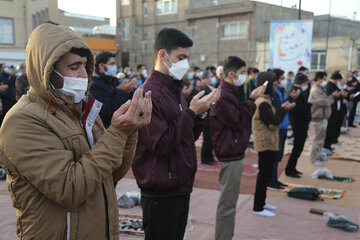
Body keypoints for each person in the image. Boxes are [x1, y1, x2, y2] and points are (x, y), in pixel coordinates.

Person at [0, 23, 152, 239]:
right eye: (74, 67)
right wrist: (118, 132)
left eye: (84, 65)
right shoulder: (22, 121)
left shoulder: (81, 109)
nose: (84, 74)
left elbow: (112, 174)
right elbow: (69, 188)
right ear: (47, 70)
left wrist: (129, 131)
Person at [132, 28, 219, 240]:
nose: (185, 65)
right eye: (181, 58)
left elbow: (184, 137)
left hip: (179, 185)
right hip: (161, 190)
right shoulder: (149, 93)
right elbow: (160, 144)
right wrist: (190, 112)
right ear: (162, 55)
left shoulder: (173, 90)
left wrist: (198, 117)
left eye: (187, 58)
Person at [210, 56, 264, 239]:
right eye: (241, 73)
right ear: (231, 74)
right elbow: (238, 120)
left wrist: (248, 100)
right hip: (229, 153)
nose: (244, 77)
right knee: (228, 203)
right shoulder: (225, 94)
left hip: (233, 151)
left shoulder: (232, 91)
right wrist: (251, 101)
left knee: (229, 201)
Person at [252, 72, 295, 217]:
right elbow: (273, 122)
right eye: (274, 84)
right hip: (265, 143)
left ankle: (262, 203)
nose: (276, 86)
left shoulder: (266, 100)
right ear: (267, 85)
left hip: (269, 141)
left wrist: (282, 108)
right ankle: (258, 207)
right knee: (264, 174)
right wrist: (284, 110)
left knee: (267, 173)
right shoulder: (262, 102)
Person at [268, 69, 300, 189]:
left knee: (278, 155)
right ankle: (271, 181)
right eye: (281, 79)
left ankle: (274, 179)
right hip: (278, 127)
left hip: (283, 126)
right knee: (274, 156)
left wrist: (291, 99)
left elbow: (283, 105)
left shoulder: (279, 91)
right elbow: (278, 109)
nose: (283, 81)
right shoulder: (272, 93)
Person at [90, 51, 137, 128]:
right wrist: (122, 92)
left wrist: (130, 89)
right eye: (112, 64)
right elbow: (108, 112)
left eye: (115, 64)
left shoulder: (113, 81)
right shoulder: (95, 85)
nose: (115, 66)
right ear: (101, 66)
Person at [308, 72, 340, 166]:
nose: (325, 81)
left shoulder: (321, 88)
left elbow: (325, 100)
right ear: (319, 79)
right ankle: (314, 158)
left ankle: (319, 155)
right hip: (318, 117)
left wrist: (330, 97)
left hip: (323, 117)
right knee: (318, 139)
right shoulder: (315, 89)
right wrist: (333, 97)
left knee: (321, 139)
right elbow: (324, 102)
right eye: (324, 79)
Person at [285, 73, 311, 178]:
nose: (307, 84)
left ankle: (293, 168)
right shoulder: (295, 91)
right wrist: (310, 105)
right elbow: (298, 109)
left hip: (302, 122)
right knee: (297, 147)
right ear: (302, 82)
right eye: (306, 82)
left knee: (299, 147)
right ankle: (289, 170)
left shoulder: (301, 91)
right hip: (298, 123)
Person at [323, 71, 348, 153]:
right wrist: (337, 95)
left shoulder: (334, 85)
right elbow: (330, 98)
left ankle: (329, 145)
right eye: (339, 80)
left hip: (336, 111)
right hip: (331, 111)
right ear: (336, 79)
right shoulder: (329, 86)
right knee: (329, 129)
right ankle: (326, 146)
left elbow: (337, 95)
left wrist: (341, 95)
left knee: (333, 128)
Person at [201, 71, 217, 165]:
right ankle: (205, 158)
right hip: (207, 117)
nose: (213, 78)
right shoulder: (205, 90)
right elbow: (206, 104)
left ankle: (210, 156)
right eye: (211, 77)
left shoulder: (212, 88)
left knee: (211, 139)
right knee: (207, 139)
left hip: (212, 117)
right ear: (206, 79)